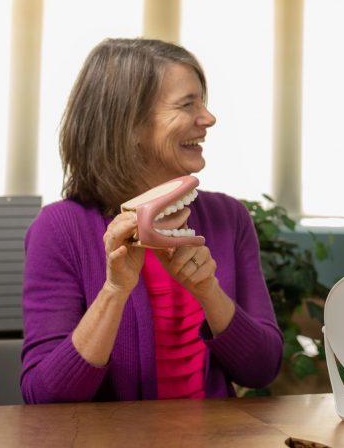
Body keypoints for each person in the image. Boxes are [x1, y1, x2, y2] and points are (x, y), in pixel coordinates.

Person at [21, 38, 283, 403]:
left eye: (202, 102)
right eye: (187, 104)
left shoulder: (229, 218)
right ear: (131, 126)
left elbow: (262, 369)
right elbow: (44, 397)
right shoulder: (60, 228)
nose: (208, 118)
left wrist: (208, 291)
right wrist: (114, 291)